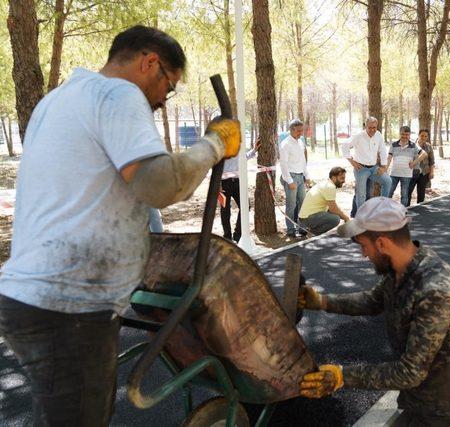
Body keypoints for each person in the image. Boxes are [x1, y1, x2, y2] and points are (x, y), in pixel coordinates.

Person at [0, 25, 240, 426]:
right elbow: (158, 184)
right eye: (170, 85)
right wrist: (213, 145)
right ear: (150, 63)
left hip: (33, 298)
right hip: (69, 304)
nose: (164, 99)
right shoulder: (119, 94)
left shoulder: (59, 99)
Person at [298, 197, 450, 426]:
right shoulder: (404, 267)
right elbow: (373, 301)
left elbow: (410, 372)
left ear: (382, 243)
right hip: (420, 399)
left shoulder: (435, 291)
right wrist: (322, 301)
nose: (364, 254)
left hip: (443, 409)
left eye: (364, 246)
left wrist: (342, 376)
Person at [341, 117, 391, 211]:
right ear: (365, 126)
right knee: (361, 195)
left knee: (387, 181)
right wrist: (352, 161)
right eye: (370, 127)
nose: (372, 130)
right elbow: (344, 145)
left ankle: (383, 208)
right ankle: (361, 217)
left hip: (373, 168)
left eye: (374, 127)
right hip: (361, 169)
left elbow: (383, 150)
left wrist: (384, 167)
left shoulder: (378, 135)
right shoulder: (358, 136)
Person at [220, 139, 260, 242]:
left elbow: (243, 157)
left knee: (246, 206)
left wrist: (254, 150)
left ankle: (237, 236)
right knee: (225, 211)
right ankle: (227, 238)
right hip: (223, 184)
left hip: (238, 182)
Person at [279, 119, 310, 237]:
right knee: (291, 205)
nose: (301, 133)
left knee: (303, 203)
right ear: (291, 130)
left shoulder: (300, 142)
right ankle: (290, 229)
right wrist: (289, 181)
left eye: (302, 130)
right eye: (298, 131)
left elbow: (303, 161)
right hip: (290, 177)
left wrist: (307, 176)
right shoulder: (285, 144)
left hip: (301, 177)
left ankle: (302, 227)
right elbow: (283, 164)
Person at [298, 166, 350, 236]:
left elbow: (333, 206)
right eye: (342, 178)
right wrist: (346, 218)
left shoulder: (327, 183)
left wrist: (343, 215)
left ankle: (312, 231)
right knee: (335, 219)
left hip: (305, 217)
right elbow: (333, 209)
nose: (344, 181)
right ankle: (313, 233)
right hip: (307, 218)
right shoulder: (330, 187)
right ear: (334, 178)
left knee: (337, 213)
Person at [387, 126, 428, 207]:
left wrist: (414, 162)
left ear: (409, 135)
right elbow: (389, 158)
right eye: (403, 134)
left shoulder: (413, 145)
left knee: (404, 195)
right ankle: (386, 210)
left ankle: (403, 211)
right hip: (394, 174)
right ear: (400, 134)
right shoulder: (393, 145)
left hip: (406, 175)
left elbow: (424, 154)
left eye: (407, 134)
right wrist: (386, 169)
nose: (405, 136)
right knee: (389, 192)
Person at [408, 128, 435, 204]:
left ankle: (420, 211)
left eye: (426, 136)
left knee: (421, 193)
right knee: (408, 192)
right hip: (412, 173)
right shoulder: (411, 145)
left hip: (424, 173)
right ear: (418, 135)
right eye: (422, 135)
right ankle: (405, 209)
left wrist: (431, 172)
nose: (424, 137)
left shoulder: (428, 146)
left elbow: (432, 161)